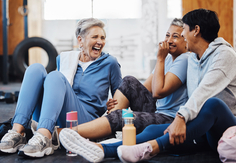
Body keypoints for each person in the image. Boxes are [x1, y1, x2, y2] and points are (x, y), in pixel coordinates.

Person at [58, 9, 236, 163]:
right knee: (150, 126)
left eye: (182, 33)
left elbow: (202, 93)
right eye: (171, 35)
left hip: (224, 126)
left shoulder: (223, 55)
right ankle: (102, 148)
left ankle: (148, 147)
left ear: (195, 31)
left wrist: (180, 118)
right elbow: (145, 89)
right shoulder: (195, 59)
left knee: (212, 103)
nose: (180, 37)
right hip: (201, 127)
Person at [0, 18, 122, 158]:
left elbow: (122, 98)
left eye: (103, 37)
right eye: (95, 37)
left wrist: (111, 106)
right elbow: (60, 92)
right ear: (80, 40)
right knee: (35, 68)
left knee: (55, 76)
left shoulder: (110, 63)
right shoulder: (64, 59)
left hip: (86, 121)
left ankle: (44, 137)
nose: (100, 41)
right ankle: (17, 133)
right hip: (58, 116)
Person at [58, 18, 189, 143]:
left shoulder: (184, 59)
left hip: (170, 117)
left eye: (175, 36)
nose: (169, 40)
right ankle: (105, 126)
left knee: (122, 116)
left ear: (186, 40)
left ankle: (63, 133)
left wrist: (159, 58)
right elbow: (144, 90)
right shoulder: (167, 59)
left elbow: (158, 92)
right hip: (156, 109)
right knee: (129, 81)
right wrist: (114, 103)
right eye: (167, 35)